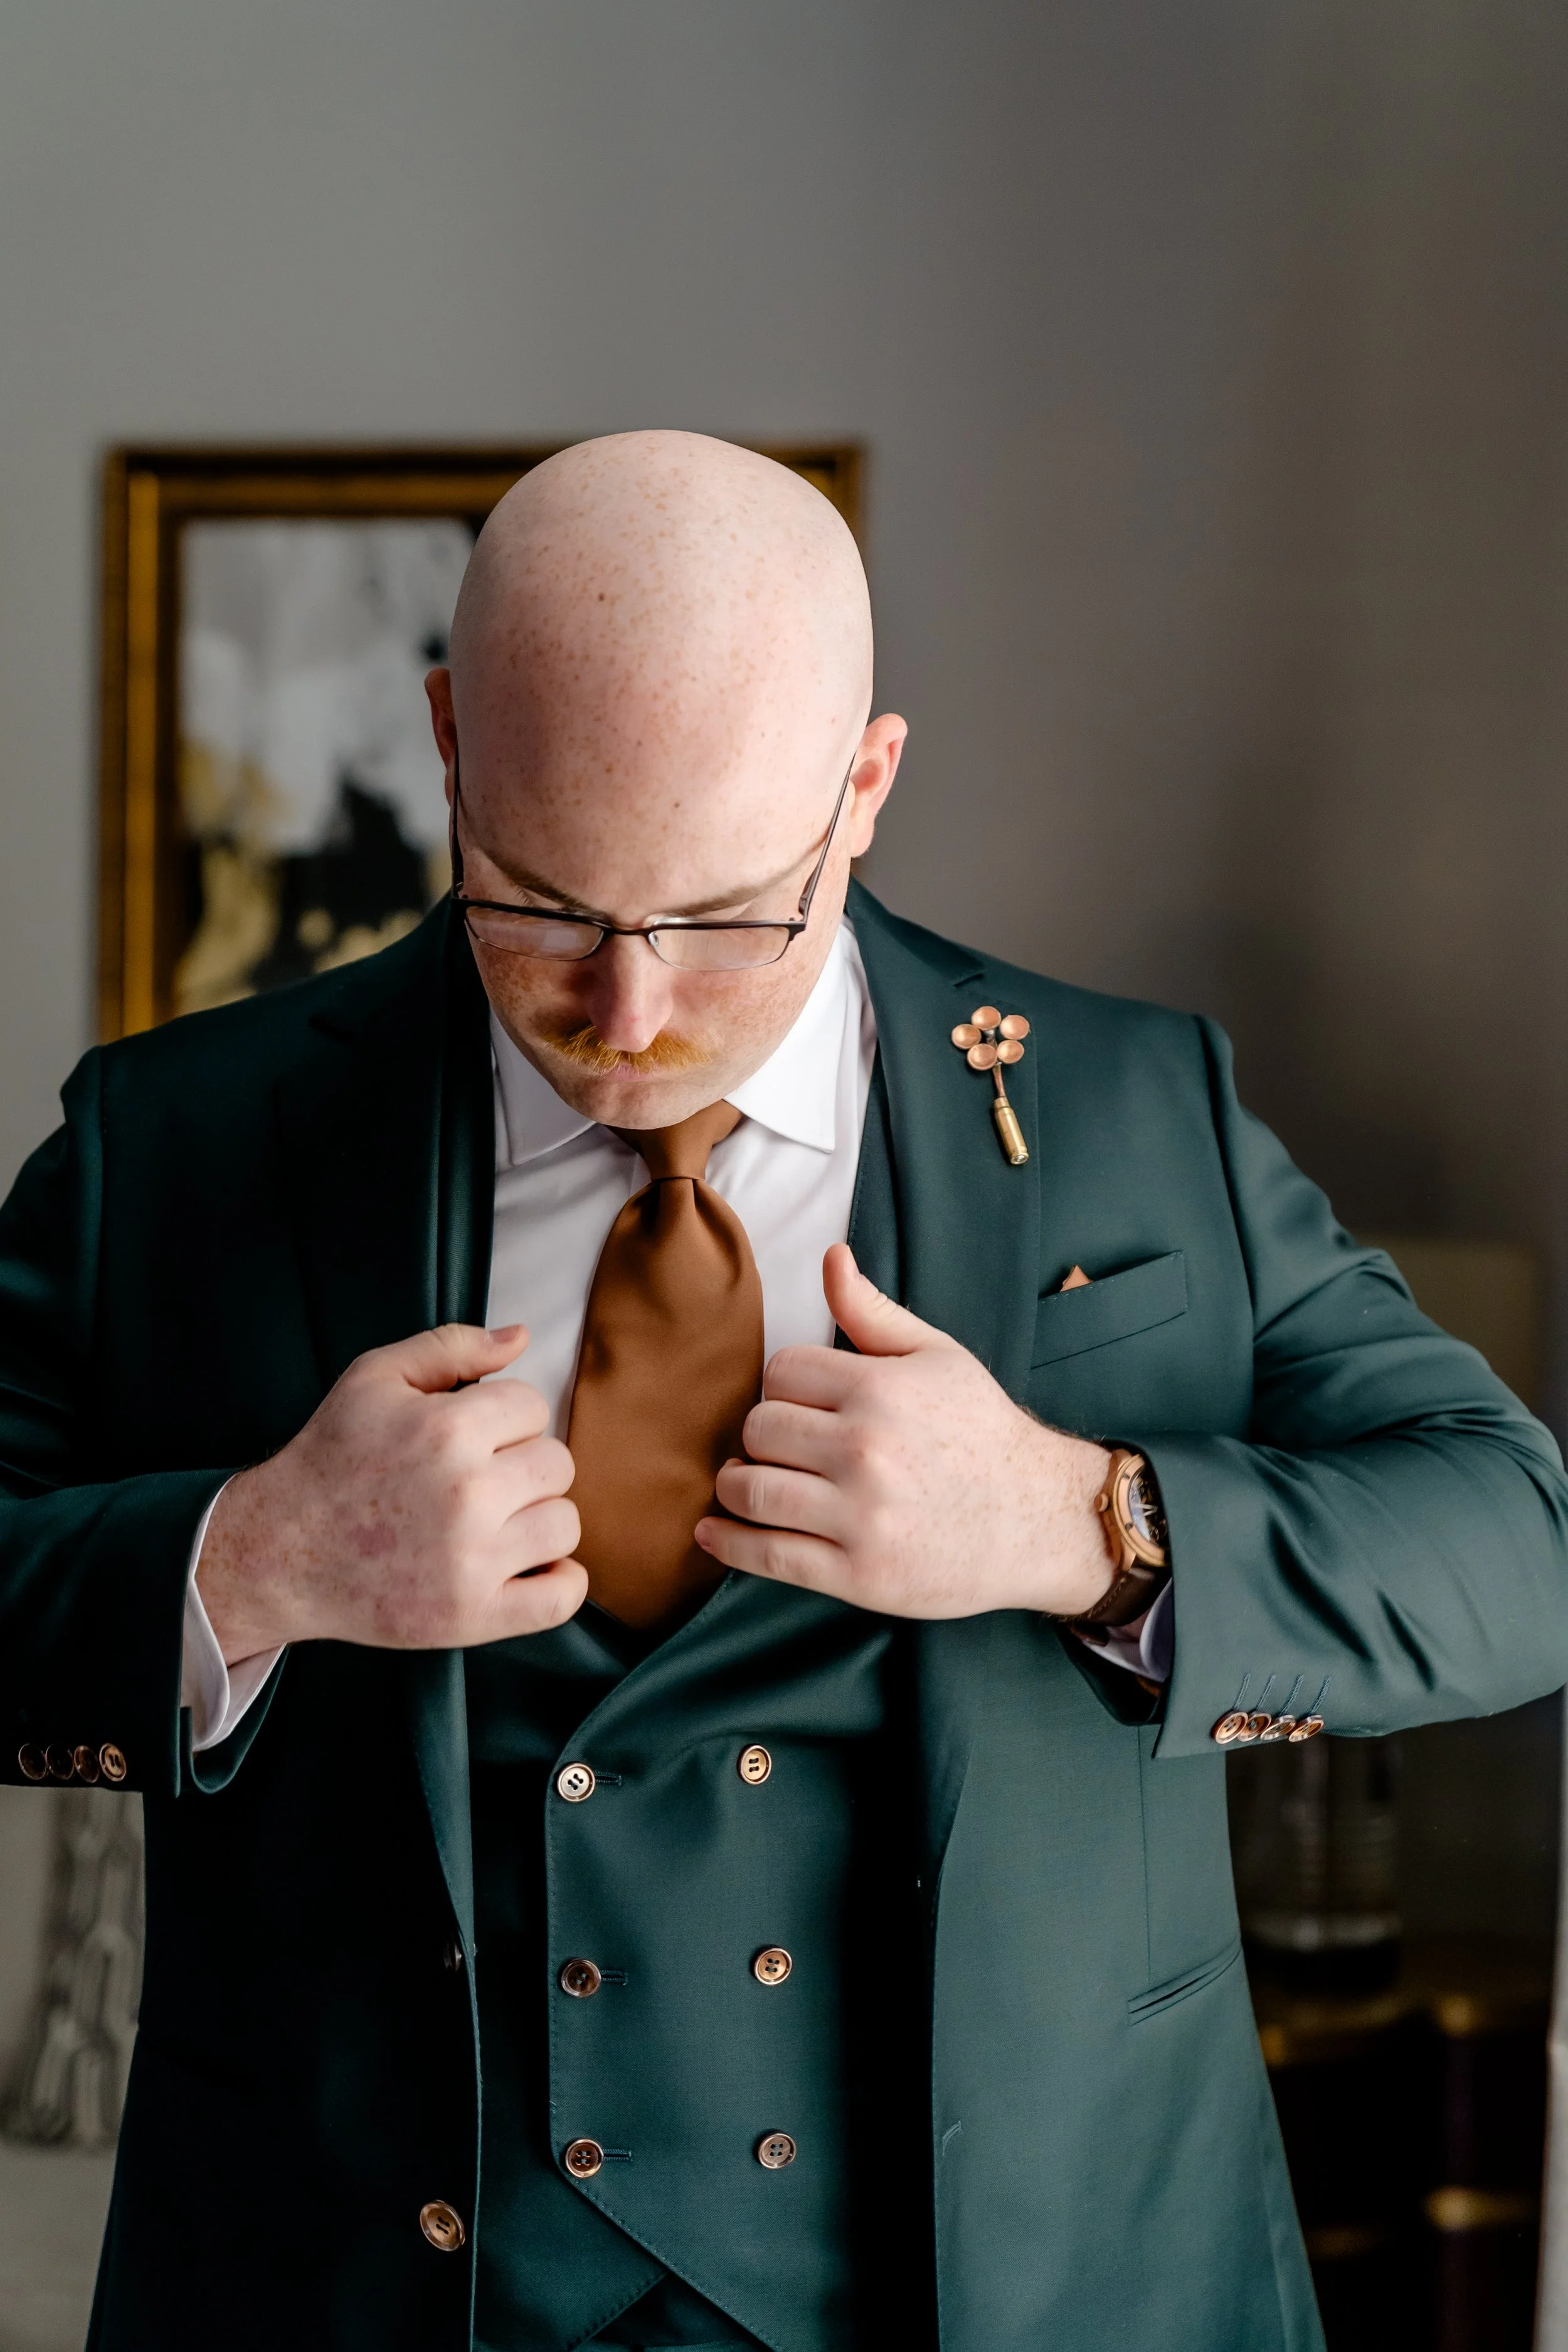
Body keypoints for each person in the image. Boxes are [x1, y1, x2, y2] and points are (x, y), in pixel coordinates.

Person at [3, 432, 1565, 2352]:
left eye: (726, 913)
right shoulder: (177, 1143)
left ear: (865, 785)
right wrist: (247, 1561)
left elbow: (1517, 1539)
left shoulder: (1132, 1113)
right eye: (539, 903)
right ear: (445, 747)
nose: (628, 1009)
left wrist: (1082, 1523)